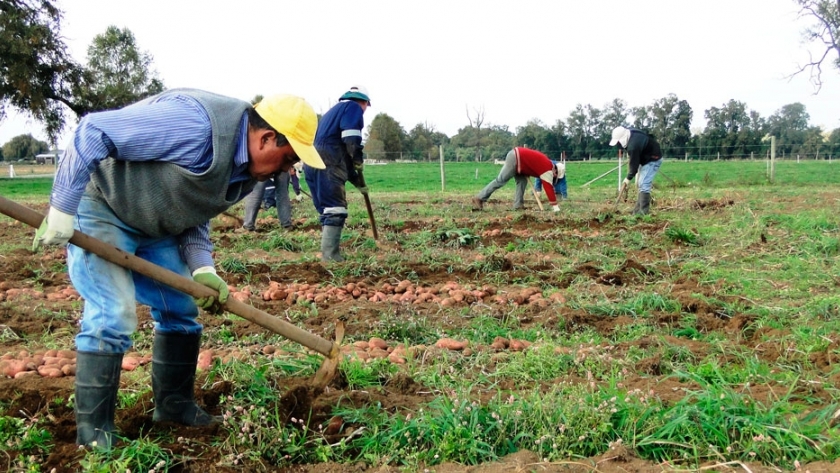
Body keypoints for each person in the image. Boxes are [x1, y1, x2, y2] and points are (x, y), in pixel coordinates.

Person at [30, 89, 324, 449]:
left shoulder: (247, 170)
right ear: (266, 138)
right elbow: (93, 130)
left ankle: (174, 406)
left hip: (154, 225)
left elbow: (194, 207)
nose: (287, 169)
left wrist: (202, 269)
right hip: (103, 204)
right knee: (113, 314)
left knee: (182, 310)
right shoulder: (195, 125)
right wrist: (62, 207)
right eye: (288, 157)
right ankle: (94, 437)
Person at [304, 85, 371, 262]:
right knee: (335, 209)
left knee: (326, 209)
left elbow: (342, 156)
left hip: (312, 160)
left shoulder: (330, 114)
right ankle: (330, 257)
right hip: (328, 161)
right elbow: (351, 138)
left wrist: (358, 182)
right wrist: (357, 157)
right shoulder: (353, 108)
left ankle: (328, 254)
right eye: (366, 107)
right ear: (364, 102)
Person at [473, 147, 564, 212]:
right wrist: (555, 206)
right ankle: (479, 198)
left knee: (522, 182)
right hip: (516, 158)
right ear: (555, 171)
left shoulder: (547, 165)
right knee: (501, 180)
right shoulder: (547, 169)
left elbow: (532, 164)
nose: (554, 178)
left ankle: (518, 205)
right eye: (555, 177)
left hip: (520, 160)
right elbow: (548, 188)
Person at [609, 126, 663, 215]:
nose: (618, 144)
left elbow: (634, 165)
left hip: (653, 159)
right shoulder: (630, 134)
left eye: (618, 141)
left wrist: (628, 178)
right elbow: (634, 161)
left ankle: (644, 211)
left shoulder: (633, 146)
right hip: (646, 158)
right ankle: (637, 210)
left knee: (644, 183)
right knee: (640, 183)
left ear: (622, 139)